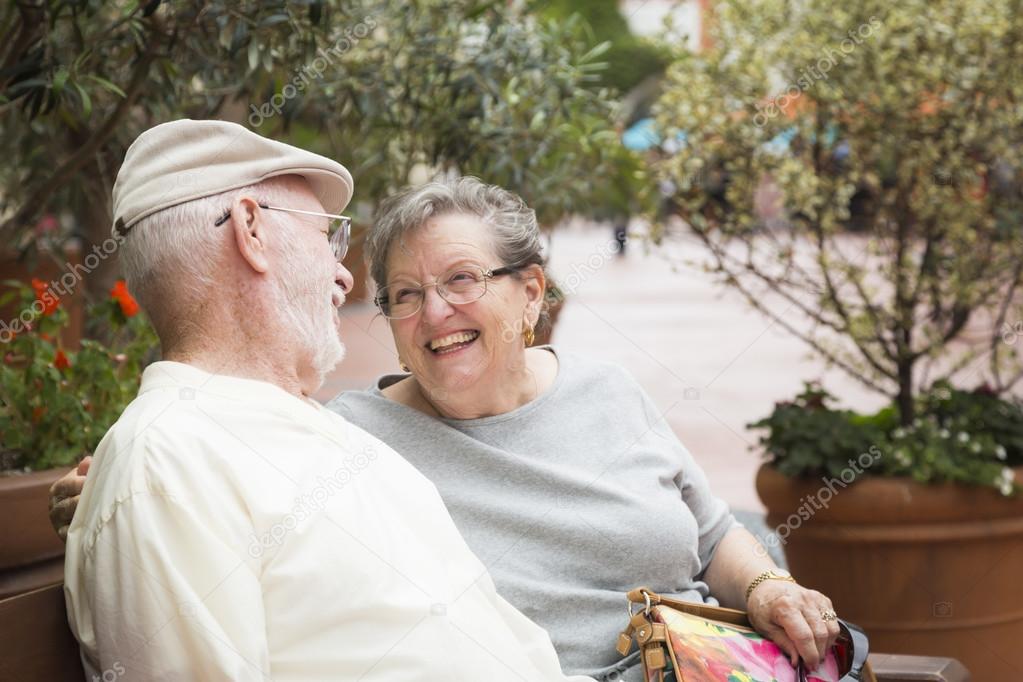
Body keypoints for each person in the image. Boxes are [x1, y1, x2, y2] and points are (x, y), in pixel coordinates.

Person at [52, 175, 841, 681]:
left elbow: (709, 533)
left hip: (714, 664)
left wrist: (769, 586)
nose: (434, 314)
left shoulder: (607, 392)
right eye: (402, 294)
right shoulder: (352, 438)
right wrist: (99, 492)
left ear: (529, 292)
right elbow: (221, 453)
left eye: (462, 280)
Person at [59, 120, 593, 682]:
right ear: (251, 231)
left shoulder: (322, 433)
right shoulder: (167, 464)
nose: (343, 276)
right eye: (328, 238)